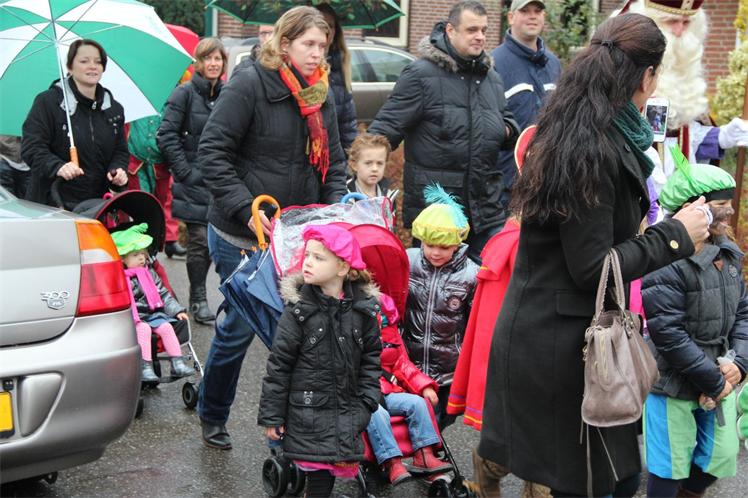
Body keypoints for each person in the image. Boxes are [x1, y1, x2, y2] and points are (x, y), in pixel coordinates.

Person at [476, 14, 712, 498]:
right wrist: (675, 236)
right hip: (562, 349)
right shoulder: (593, 146)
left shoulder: (587, 126)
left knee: (616, 480)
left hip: (567, 338)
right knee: (592, 485)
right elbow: (592, 268)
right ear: (647, 76)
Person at [197, 6, 347, 450]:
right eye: (308, 44)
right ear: (284, 44)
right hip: (242, 233)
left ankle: (291, 437)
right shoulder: (249, 84)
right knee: (239, 330)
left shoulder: (321, 92)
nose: (317, 53)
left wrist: (332, 216)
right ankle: (213, 411)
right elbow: (212, 152)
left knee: (299, 333)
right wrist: (245, 208)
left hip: (297, 235)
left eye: (322, 45)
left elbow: (334, 162)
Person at [368, 0, 519, 263]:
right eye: (472, 30)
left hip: (486, 208)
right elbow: (383, 131)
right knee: (436, 287)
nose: (480, 37)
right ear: (450, 30)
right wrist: (366, 179)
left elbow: (507, 122)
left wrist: (504, 130)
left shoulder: (491, 77)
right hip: (439, 213)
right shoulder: (420, 75)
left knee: (486, 281)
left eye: (483, 30)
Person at [641, 148, 747, 498]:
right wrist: (712, 380)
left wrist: (739, 364)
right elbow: (668, 333)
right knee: (669, 465)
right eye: (720, 205)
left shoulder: (728, 254)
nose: (729, 211)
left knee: (720, 456)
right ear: (693, 207)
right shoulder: (665, 260)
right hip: (672, 381)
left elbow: (744, 314)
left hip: (719, 373)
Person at [258, 224, 381, 498]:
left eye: (318, 257)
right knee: (319, 476)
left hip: (349, 410)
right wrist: (273, 415)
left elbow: (371, 360)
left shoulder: (363, 311)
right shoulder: (298, 312)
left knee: (334, 466)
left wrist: (367, 401)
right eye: (307, 255)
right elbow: (279, 366)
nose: (308, 262)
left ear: (342, 268)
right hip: (308, 411)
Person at [623, 0, 748, 190]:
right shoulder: (619, 72)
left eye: (686, 22)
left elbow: (684, 138)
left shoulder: (683, 72)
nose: (680, 31)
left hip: (677, 193)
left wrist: (723, 136)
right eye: (671, 21)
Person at [158, 37, 227, 325]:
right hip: (193, 180)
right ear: (198, 62)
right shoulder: (183, 94)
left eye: (218, 58)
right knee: (199, 240)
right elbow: (166, 134)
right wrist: (185, 171)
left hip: (220, 179)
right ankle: (198, 298)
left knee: (217, 241)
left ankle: (224, 298)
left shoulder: (228, 94)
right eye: (207, 58)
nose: (213, 63)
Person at [403, 184, 478, 430]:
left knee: (442, 419)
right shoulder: (408, 262)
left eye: (444, 247)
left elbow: (474, 323)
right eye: (429, 245)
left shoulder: (471, 275)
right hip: (411, 365)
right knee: (421, 423)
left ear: (457, 243)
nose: (435, 252)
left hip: (448, 370)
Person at [22, 39, 128, 210]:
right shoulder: (47, 102)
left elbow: (120, 150)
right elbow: (32, 147)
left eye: (98, 62)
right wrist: (58, 167)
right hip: (53, 203)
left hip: (96, 205)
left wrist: (118, 170)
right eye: (84, 61)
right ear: (70, 67)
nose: (92, 66)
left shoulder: (113, 109)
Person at [366, 293, 452, 486]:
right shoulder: (350, 337)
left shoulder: (388, 335)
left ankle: (424, 455)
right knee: (376, 412)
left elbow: (402, 364)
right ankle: (392, 462)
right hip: (362, 394)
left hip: (388, 390)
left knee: (418, 403)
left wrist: (424, 386)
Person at [491, 0, 560, 207]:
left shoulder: (554, 64)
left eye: (537, 11)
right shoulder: (494, 63)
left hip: (548, 185)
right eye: (525, 11)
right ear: (511, 17)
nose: (532, 16)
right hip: (506, 189)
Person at [111, 223, 195, 382]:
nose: (141, 258)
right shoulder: (119, 278)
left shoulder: (149, 273)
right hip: (133, 318)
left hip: (152, 314)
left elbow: (163, 294)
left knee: (166, 327)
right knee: (143, 329)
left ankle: (177, 363)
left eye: (143, 254)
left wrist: (177, 310)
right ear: (122, 258)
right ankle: (145, 367)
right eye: (135, 255)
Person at [126, 114, 185, 259]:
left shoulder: (169, 102)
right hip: (136, 159)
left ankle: (168, 239)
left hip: (161, 160)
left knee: (166, 200)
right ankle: (140, 250)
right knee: (139, 205)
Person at [314, 3, 358, 153]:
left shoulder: (340, 69)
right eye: (321, 23)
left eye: (331, 25)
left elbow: (347, 125)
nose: (326, 29)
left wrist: (351, 158)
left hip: (330, 156)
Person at [345, 132, 399, 206]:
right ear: (354, 165)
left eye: (379, 163)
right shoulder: (345, 192)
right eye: (368, 163)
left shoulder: (389, 194)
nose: (375, 169)